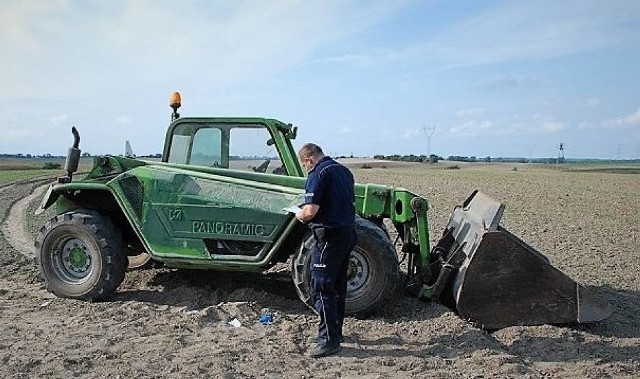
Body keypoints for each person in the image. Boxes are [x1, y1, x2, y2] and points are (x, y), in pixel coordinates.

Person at [295, 143, 357, 358]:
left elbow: (310, 211)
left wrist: (298, 214)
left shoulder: (318, 174)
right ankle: (335, 333)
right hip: (347, 234)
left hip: (328, 238)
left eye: (305, 165)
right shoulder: (343, 170)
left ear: (309, 160)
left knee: (321, 288)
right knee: (338, 286)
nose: (306, 169)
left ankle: (328, 341)